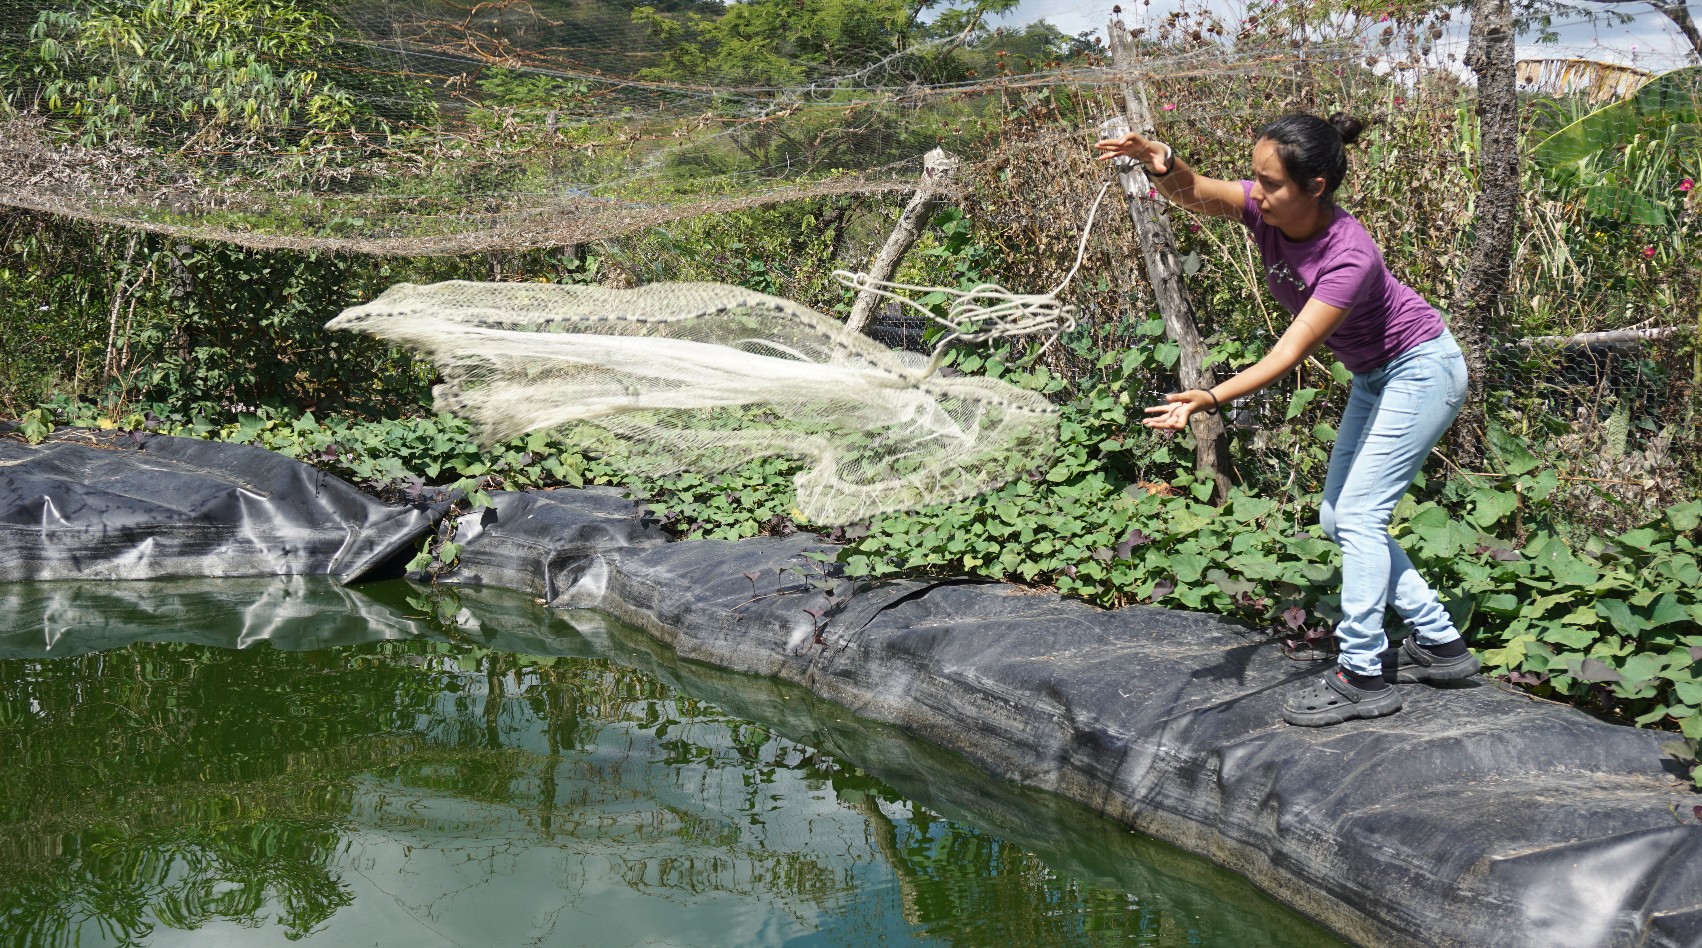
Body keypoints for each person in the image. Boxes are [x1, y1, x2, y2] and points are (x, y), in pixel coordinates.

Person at [1095, 113, 1476, 727]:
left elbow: (1289, 352)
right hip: (1376, 374)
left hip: (1421, 371)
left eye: (1270, 183)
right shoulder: (1264, 208)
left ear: (1316, 187)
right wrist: (1159, 160)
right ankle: (1440, 644)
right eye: (1256, 178)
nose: (1257, 192)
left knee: (1359, 516)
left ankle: (1363, 673)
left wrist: (1208, 396)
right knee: (1338, 518)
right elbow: (1198, 192)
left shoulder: (1349, 256)